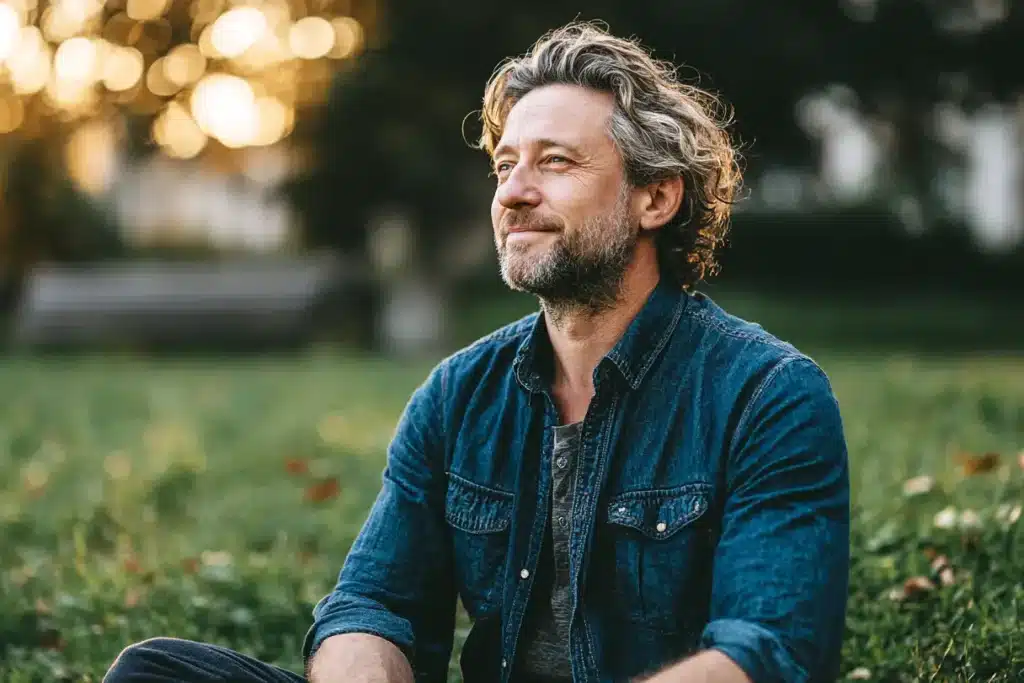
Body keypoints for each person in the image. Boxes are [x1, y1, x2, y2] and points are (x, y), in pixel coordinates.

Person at [103, 20, 850, 683]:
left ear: (656, 197)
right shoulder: (457, 394)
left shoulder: (768, 395)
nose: (513, 192)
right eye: (504, 165)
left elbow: (769, 652)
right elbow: (374, 600)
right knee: (154, 669)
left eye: (555, 162)